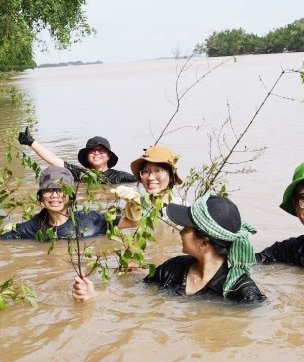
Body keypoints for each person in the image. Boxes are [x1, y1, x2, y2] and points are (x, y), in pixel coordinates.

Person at [72, 192, 266, 304]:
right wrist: (94, 296)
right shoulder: (174, 268)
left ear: (204, 243)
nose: (180, 232)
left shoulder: (242, 291)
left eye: (186, 227)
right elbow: (136, 293)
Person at [0, 166, 109, 242]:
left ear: (70, 196)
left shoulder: (91, 219)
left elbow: (128, 222)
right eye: (49, 190)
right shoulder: (32, 228)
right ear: (40, 197)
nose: (55, 195)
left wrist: (130, 205)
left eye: (61, 190)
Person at [17, 127, 137, 185]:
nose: (96, 153)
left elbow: (142, 182)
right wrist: (31, 142)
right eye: (92, 150)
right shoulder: (79, 173)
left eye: (101, 150)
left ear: (109, 156)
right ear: (86, 156)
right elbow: (53, 159)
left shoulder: (119, 176)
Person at [113, 145, 184, 230]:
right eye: (145, 171)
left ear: (171, 177)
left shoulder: (182, 208)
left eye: (157, 171)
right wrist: (133, 208)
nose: (150, 177)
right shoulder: (136, 202)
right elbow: (122, 228)